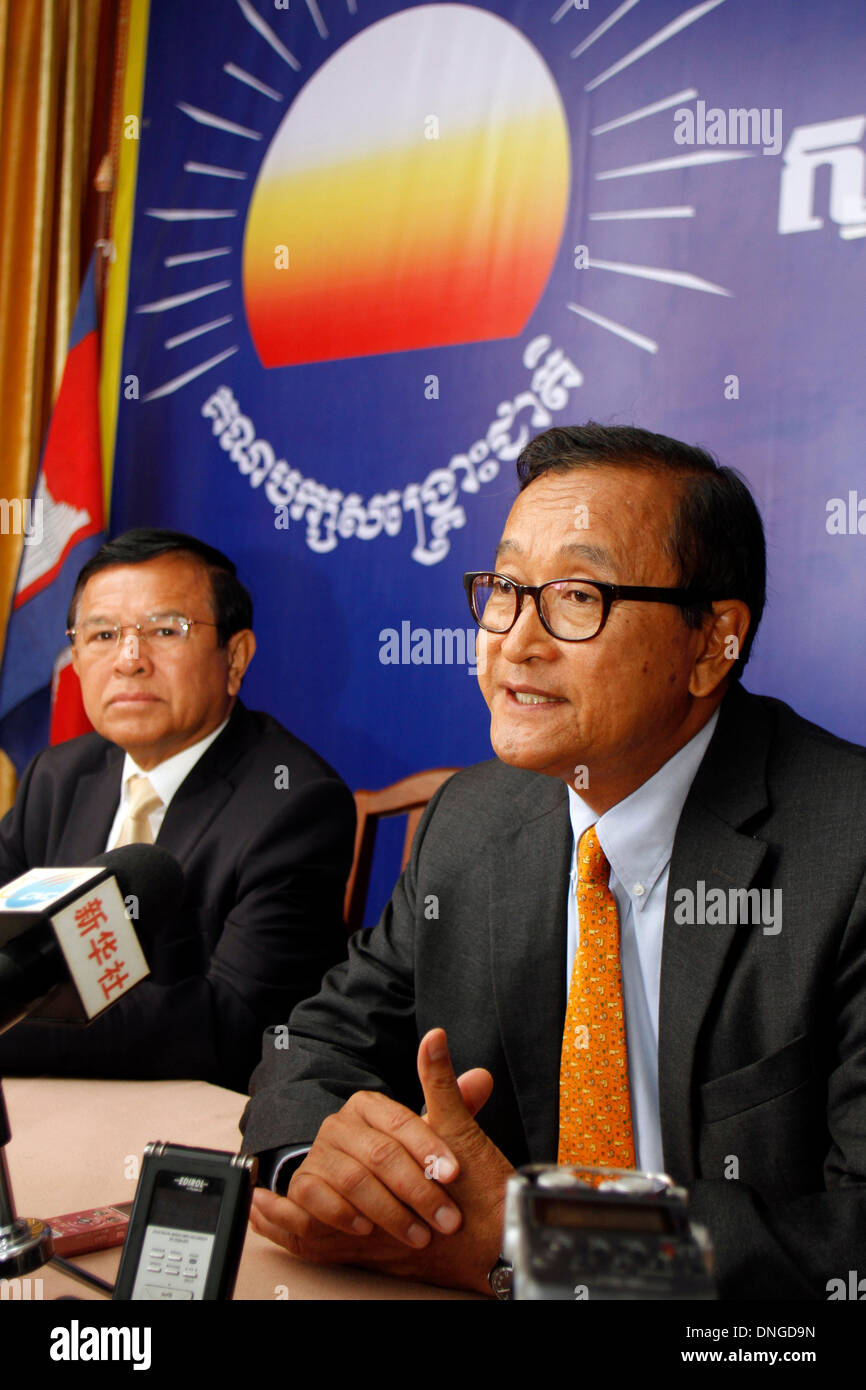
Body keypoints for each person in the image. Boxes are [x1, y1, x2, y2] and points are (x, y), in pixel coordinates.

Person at [242, 424, 866, 1299]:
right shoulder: (474, 817)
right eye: (505, 587)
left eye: (577, 595)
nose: (516, 640)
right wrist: (328, 1166)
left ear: (711, 641)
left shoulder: (849, 848)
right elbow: (314, 1044)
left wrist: (550, 1244)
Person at [0, 529, 355, 1093]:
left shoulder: (296, 805)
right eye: (103, 634)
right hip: (50, 1098)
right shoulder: (57, 776)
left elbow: (232, 1025)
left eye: (166, 631)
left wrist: (7, 1025)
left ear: (235, 657)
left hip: (198, 1124)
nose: (129, 660)